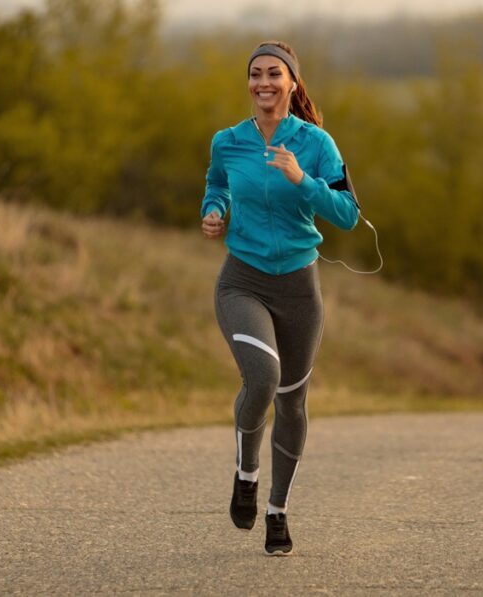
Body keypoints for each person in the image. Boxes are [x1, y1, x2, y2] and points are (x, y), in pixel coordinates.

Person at [200, 40, 360, 556]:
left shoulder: (317, 144)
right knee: (262, 378)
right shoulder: (228, 141)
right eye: (255, 74)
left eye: (274, 74)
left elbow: (348, 214)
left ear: (292, 83)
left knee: (292, 401)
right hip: (242, 280)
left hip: (299, 288)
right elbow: (217, 185)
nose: (263, 83)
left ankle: (277, 511)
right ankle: (246, 472)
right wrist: (214, 210)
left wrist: (302, 179)